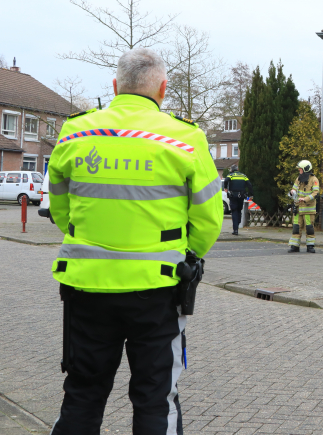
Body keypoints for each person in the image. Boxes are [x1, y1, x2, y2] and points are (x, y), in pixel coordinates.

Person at [47, 47, 223, 434]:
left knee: (83, 392)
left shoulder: (75, 132)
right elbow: (209, 221)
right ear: (163, 89)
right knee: (155, 397)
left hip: (86, 286)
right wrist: (183, 253)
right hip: (157, 291)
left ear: (115, 86)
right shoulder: (186, 138)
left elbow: (61, 210)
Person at [288, 159, 320, 253]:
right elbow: (293, 189)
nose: (299, 171)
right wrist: (291, 192)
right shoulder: (298, 179)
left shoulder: (314, 180)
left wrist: (305, 199)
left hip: (308, 209)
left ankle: (310, 246)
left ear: (305, 169)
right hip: (298, 208)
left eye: (300, 169)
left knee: (309, 228)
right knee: (296, 227)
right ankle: (294, 246)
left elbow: (316, 193)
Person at [223, 166, 253, 235]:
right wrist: (251, 195)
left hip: (233, 196)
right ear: (238, 169)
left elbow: (226, 180)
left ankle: (235, 229)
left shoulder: (231, 175)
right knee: (239, 210)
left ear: (231, 170)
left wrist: (225, 188)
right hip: (241, 196)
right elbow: (249, 185)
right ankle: (238, 221)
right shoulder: (243, 176)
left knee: (234, 211)